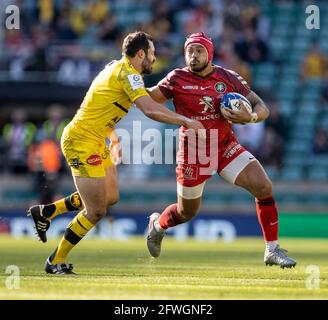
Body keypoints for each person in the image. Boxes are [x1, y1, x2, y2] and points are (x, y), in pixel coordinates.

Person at [27, 31, 204, 275]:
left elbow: (99, 103)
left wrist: (112, 136)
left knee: (110, 197)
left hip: (97, 138)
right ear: (140, 53)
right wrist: (185, 120)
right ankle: (55, 260)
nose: (154, 58)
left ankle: (47, 211)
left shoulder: (117, 67)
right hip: (81, 141)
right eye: (152, 53)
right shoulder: (128, 74)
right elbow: (149, 109)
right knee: (97, 210)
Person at [146, 32, 296, 269]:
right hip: (194, 152)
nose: (193, 56)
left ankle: (272, 249)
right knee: (186, 213)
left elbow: (261, 106)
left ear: (210, 53)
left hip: (225, 145)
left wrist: (252, 116)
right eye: (189, 51)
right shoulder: (176, 78)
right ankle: (158, 225)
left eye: (199, 51)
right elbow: (149, 98)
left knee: (264, 186)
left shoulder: (228, 77)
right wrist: (128, 85)